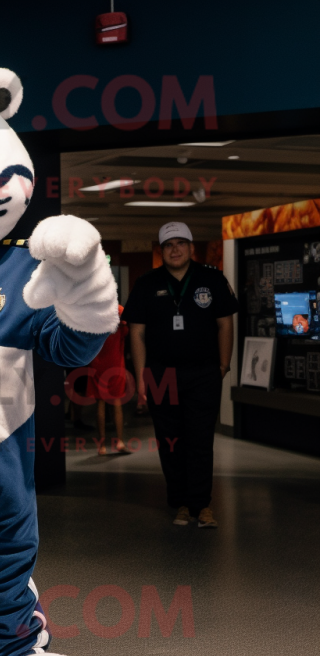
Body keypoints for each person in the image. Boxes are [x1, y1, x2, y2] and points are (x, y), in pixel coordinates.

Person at [123, 222, 238, 528]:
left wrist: (223, 366)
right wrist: (142, 378)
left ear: (191, 248)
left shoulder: (211, 279)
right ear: (161, 251)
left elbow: (225, 324)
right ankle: (181, 503)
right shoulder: (147, 283)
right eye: (168, 245)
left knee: (200, 441)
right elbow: (137, 334)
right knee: (170, 441)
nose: (175, 249)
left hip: (203, 373)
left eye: (180, 243)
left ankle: (202, 506)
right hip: (161, 374)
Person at [86, 304, 130, 454]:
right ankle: (120, 441)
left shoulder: (92, 310)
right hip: (115, 361)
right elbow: (126, 332)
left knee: (100, 403)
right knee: (117, 402)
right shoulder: (119, 310)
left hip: (97, 360)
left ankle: (102, 446)